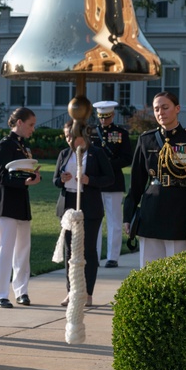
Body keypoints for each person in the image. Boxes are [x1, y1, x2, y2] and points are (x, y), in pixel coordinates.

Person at [123, 91, 186, 267]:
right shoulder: (146, 140)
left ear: (177, 109)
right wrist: (128, 216)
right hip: (150, 213)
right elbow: (136, 183)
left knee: (178, 273)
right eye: (156, 109)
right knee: (148, 272)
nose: (160, 112)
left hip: (179, 214)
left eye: (165, 107)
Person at [54, 120, 113, 306]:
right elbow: (55, 179)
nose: (68, 139)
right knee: (70, 250)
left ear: (83, 135)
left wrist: (89, 180)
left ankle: (87, 293)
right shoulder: (64, 154)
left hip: (89, 207)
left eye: (72, 135)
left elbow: (110, 178)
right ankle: (71, 292)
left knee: (88, 250)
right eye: (66, 136)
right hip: (68, 205)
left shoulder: (96, 153)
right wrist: (62, 179)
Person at [0, 107, 41, 308]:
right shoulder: (4, 145)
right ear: (19, 122)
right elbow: (2, 177)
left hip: (20, 203)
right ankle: (0, 294)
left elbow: (19, 173)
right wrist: (25, 182)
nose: (32, 129)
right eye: (30, 125)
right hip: (6, 203)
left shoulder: (22, 146)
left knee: (22, 250)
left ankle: (21, 291)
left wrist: (32, 177)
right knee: (4, 250)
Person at [92, 101, 132, 268]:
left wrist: (108, 165)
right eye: (101, 117)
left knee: (114, 221)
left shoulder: (120, 133)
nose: (103, 121)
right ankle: (93, 255)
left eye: (106, 117)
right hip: (95, 182)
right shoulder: (91, 132)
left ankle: (112, 257)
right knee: (95, 221)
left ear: (113, 115)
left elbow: (127, 158)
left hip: (114, 181)